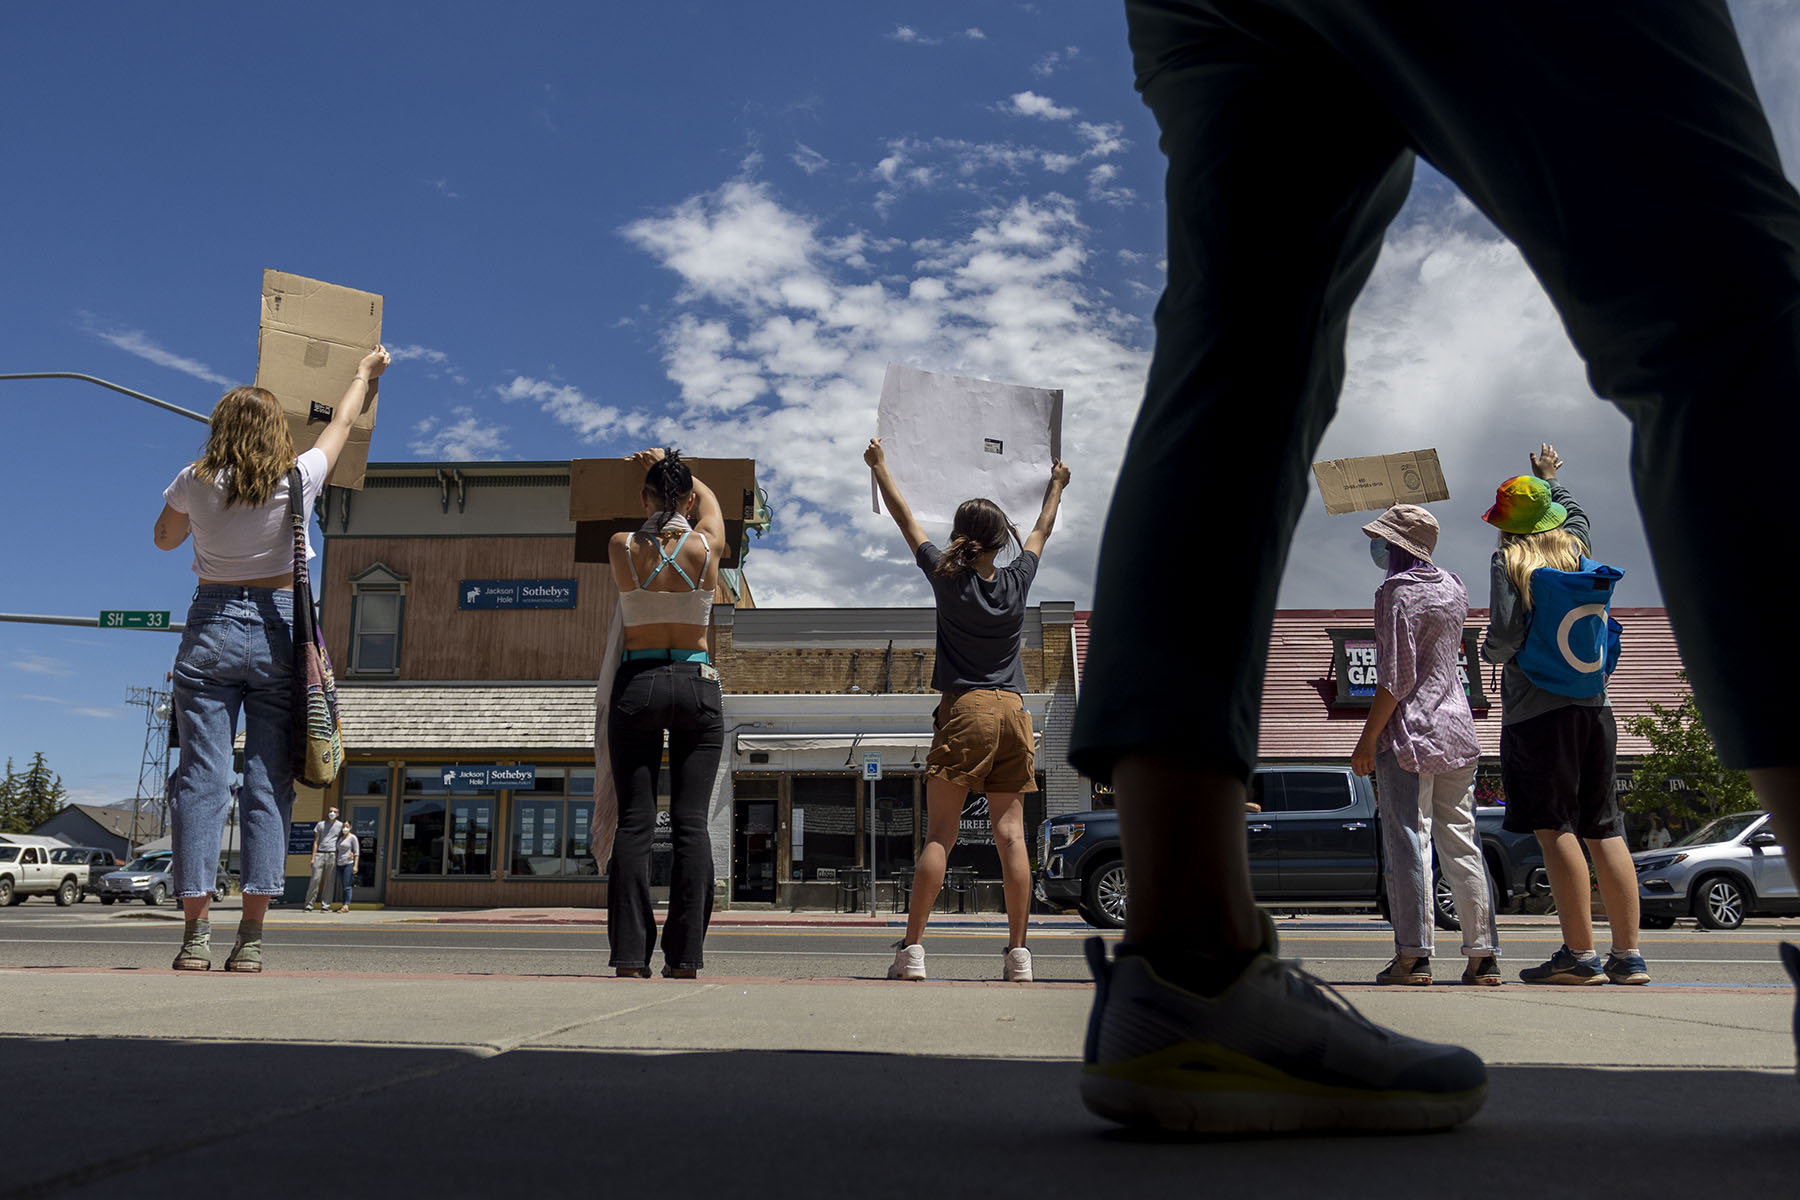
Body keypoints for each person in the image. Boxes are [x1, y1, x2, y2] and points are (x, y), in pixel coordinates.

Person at [1072, 0, 1800, 1134]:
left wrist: (1376, 724)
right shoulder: (1479, 577)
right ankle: (1446, 953)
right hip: (1498, 726)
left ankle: (1187, 964)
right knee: (1720, 298)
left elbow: (1426, 662)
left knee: (1236, 363)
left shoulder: (1443, 585)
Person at [156, 347, 391, 972]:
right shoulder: (299, 477)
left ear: (220, 428)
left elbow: (163, 536)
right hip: (279, 627)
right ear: (275, 432)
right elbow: (341, 424)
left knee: (200, 783)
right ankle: (252, 938)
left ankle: (194, 936)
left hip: (209, 625)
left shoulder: (195, 479)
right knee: (267, 782)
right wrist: (363, 377)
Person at [865, 437, 1069, 983]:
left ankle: (911, 952)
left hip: (968, 711)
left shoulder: (946, 576)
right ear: (1001, 542)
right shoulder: (1017, 581)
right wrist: (1056, 484)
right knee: (1012, 838)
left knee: (940, 835)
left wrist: (881, 465)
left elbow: (906, 519)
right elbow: (1043, 530)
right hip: (1015, 713)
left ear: (962, 535)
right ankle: (1019, 956)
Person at [1481, 445, 1647, 986]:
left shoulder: (1508, 560)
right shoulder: (1578, 550)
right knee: (1606, 828)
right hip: (1595, 707)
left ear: (1507, 527)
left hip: (1538, 713)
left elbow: (1505, 638)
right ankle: (1628, 955)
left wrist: (1489, 653)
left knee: (1555, 828)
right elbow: (1578, 516)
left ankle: (1579, 956)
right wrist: (1548, 477)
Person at [1349, 504, 1499, 987]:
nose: (1378, 548)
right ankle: (1483, 953)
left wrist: (1366, 741)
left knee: (1410, 841)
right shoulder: (1454, 585)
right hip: (1457, 727)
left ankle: (1413, 955)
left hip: (1411, 733)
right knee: (1462, 839)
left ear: (1395, 547)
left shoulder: (1395, 593)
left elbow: (1394, 678)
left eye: (1384, 541)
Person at [604, 449, 727, 980]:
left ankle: (631, 957)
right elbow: (713, 506)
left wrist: (654, 476)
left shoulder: (623, 548)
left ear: (643, 499)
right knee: (690, 824)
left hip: (639, 682)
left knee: (634, 824)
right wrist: (681, 474)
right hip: (696, 683)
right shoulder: (706, 547)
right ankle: (685, 958)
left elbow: (660, 515)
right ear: (690, 499)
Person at [304, 806, 344, 912]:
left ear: (338, 814)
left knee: (329, 881)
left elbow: (345, 840)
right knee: (315, 880)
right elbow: (316, 841)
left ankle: (325, 905)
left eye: (334, 811)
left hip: (332, 854)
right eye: (330, 811)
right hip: (320, 854)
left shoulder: (340, 826)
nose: (332, 813)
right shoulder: (320, 824)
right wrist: (313, 857)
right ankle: (309, 905)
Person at [335, 822, 360, 912]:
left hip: (348, 864)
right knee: (343, 885)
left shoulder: (352, 838)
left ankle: (346, 905)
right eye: (343, 826)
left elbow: (356, 852)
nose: (345, 828)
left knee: (347, 885)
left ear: (350, 827)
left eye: (347, 826)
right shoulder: (340, 838)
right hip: (339, 864)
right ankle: (343, 905)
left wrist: (355, 866)